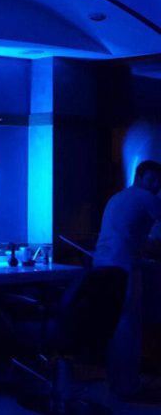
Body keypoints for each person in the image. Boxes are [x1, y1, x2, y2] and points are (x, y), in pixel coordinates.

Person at [93, 160, 161, 398]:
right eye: (152, 180)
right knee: (128, 326)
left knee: (114, 324)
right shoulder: (146, 197)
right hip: (123, 266)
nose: (155, 186)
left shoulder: (117, 198)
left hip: (102, 265)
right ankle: (128, 386)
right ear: (139, 178)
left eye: (158, 182)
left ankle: (116, 383)